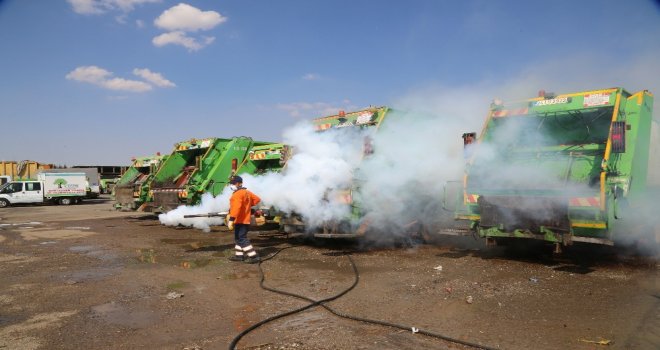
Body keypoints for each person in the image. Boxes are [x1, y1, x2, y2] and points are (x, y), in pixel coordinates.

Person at [226, 175, 262, 263]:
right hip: (245, 219)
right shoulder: (246, 192)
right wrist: (247, 206)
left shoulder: (237, 194)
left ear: (239, 184)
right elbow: (257, 199)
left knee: (241, 238)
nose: (232, 185)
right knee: (238, 238)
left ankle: (254, 256)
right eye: (231, 183)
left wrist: (231, 220)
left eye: (234, 183)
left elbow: (236, 208)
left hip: (240, 220)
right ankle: (239, 256)